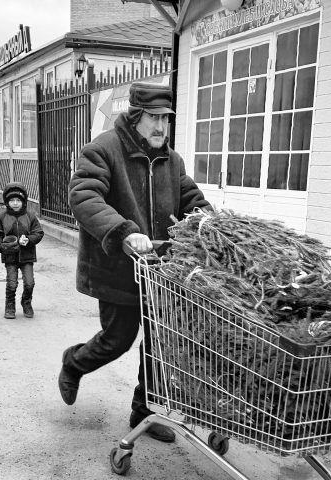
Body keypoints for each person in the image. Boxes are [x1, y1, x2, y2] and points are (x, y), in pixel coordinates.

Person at [58, 81, 212, 443]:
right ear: (136, 116)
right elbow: (84, 196)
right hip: (117, 270)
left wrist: (211, 224)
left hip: (161, 274)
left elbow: (192, 200)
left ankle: (143, 411)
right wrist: (124, 231)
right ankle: (74, 362)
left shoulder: (171, 160)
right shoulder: (103, 150)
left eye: (166, 119)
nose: (161, 127)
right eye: (154, 118)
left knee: (159, 344)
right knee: (117, 340)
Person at [0, 182, 44, 319]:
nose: (15, 203)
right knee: (12, 283)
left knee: (29, 283)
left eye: (18, 200)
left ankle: (26, 302)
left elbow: (38, 232)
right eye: (12, 200)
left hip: (27, 256)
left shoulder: (30, 216)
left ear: (23, 201)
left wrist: (30, 240)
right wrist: (1, 246)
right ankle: (10, 305)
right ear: (7, 202)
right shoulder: (1, 218)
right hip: (10, 256)